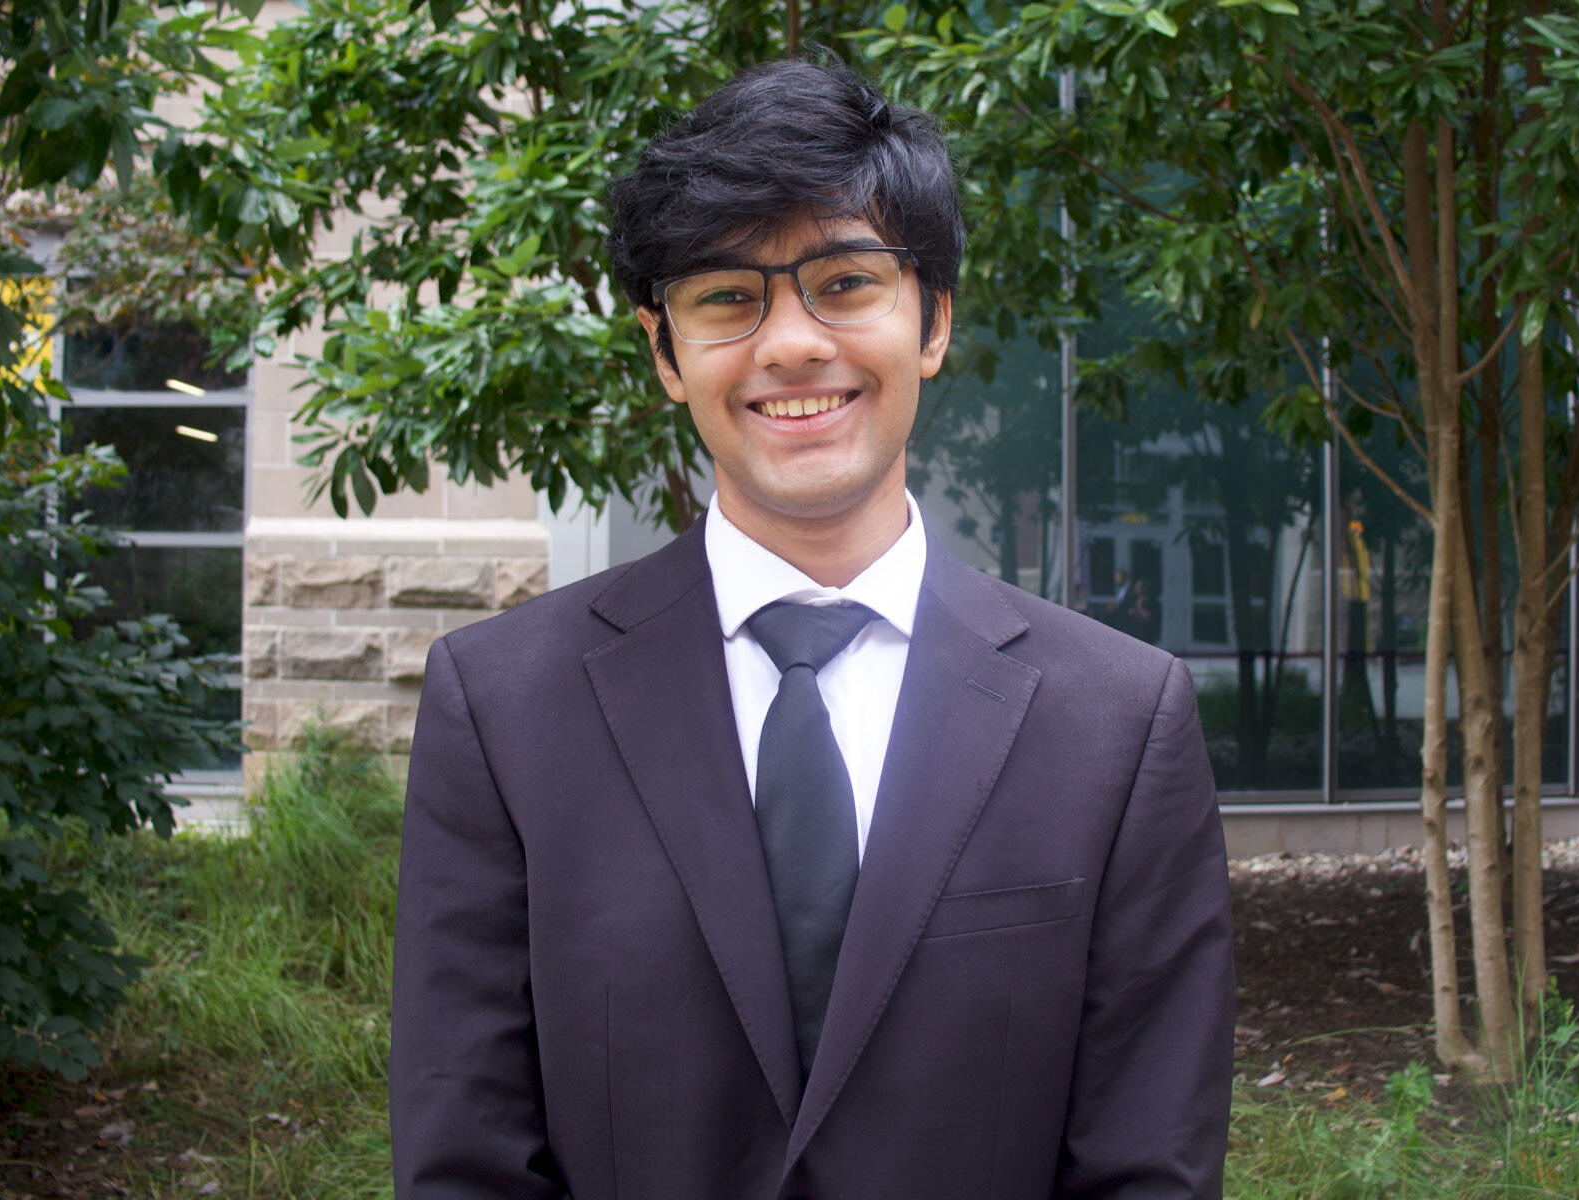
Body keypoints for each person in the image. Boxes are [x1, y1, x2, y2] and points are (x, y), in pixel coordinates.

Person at [390, 56, 1233, 1200]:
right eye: (726, 296)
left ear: (932, 320)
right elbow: (466, 1162)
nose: (789, 343)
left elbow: (1147, 1170)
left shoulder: (1115, 725)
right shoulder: (502, 709)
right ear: (663, 351)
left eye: (843, 282)